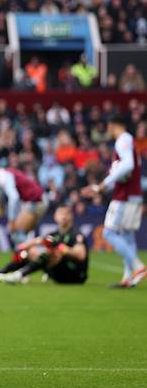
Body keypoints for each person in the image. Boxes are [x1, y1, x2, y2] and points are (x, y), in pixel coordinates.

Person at [82, 114, 145, 288]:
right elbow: (123, 172)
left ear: (113, 125)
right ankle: (128, 278)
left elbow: (127, 165)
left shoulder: (123, 140)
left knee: (109, 233)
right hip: (133, 194)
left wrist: (104, 184)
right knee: (127, 236)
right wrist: (99, 188)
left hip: (124, 196)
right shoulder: (129, 141)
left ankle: (138, 267)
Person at [0, 205, 88, 285]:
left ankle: (19, 275)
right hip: (58, 274)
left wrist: (62, 248)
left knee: (52, 252)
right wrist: (23, 250)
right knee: (29, 252)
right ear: (55, 216)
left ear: (71, 216)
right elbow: (31, 244)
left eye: (66, 213)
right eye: (60, 213)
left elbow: (81, 254)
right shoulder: (54, 234)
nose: (63, 216)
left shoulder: (75, 233)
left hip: (74, 276)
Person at [0, 159, 48, 250]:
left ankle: (40, 255)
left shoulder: (2, 176)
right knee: (23, 236)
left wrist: (11, 219)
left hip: (36, 201)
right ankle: (32, 258)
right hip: (39, 200)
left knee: (16, 233)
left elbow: (14, 197)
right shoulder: (7, 172)